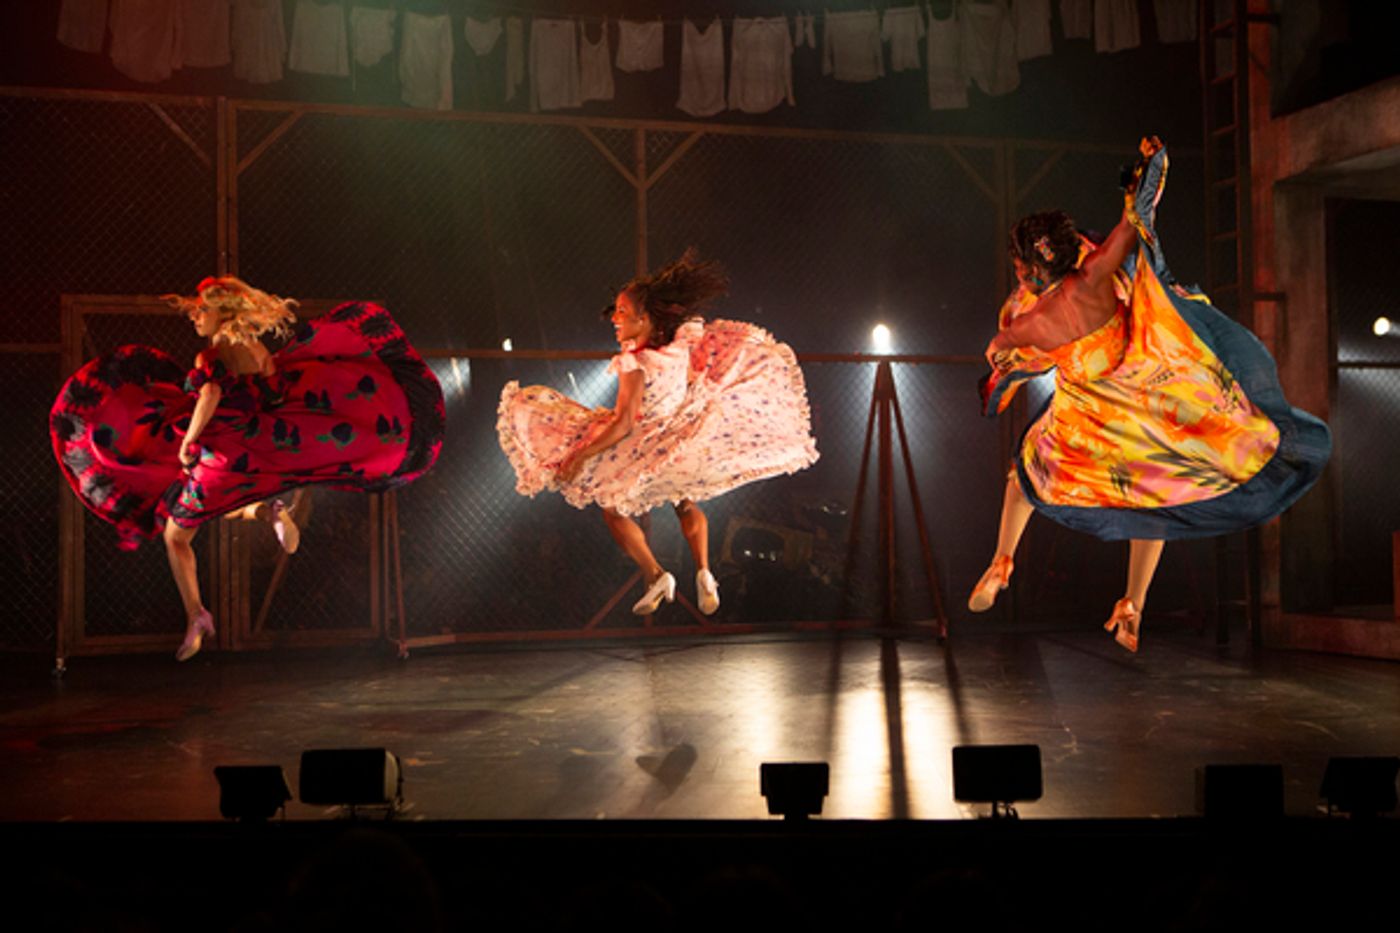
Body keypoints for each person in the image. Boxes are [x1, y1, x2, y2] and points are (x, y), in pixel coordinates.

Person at [971, 138, 1330, 651]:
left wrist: (1001, 365)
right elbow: (1136, 221)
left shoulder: (1028, 323)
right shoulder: (1094, 279)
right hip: (1139, 392)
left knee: (1025, 472)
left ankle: (1002, 561)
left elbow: (999, 353)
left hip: (1086, 410)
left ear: (1030, 270)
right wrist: (1150, 167)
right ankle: (1132, 604)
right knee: (1157, 491)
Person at [50, 277, 445, 660]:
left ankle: (197, 614)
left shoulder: (210, 356)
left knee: (176, 535)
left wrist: (191, 438)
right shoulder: (254, 348)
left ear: (221, 313)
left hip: (222, 450)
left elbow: (212, 392)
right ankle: (267, 511)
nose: (194, 317)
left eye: (200, 310)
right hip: (261, 444)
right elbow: (271, 389)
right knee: (218, 501)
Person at [497, 251, 819, 616]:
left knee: (612, 508)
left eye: (622, 311)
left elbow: (624, 423)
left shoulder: (634, 363)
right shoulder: (678, 348)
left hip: (644, 443)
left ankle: (655, 574)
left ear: (644, 317)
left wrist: (579, 456)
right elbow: (688, 380)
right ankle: (704, 572)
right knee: (684, 501)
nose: (615, 318)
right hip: (681, 433)